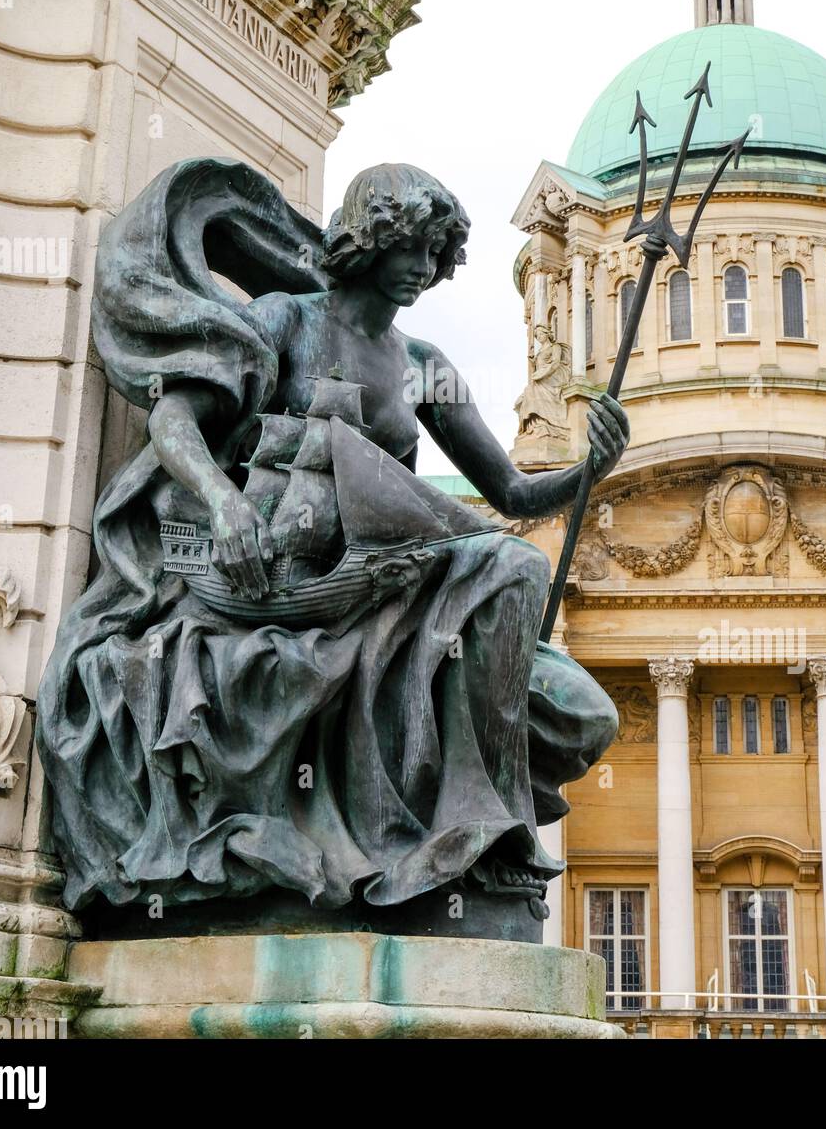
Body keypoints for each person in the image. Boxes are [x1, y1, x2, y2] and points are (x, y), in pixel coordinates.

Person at [36, 159, 627, 926]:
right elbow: (174, 421)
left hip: (386, 577)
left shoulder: (423, 368)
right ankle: (483, 836)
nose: (423, 269)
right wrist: (224, 505)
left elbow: (512, 493)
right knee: (510, 566)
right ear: (368, 241)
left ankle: (477, 828)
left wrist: (592, 471)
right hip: (274, 580)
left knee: (538, 617)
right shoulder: (288, 319)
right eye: (409, 248)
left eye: (436, 255)